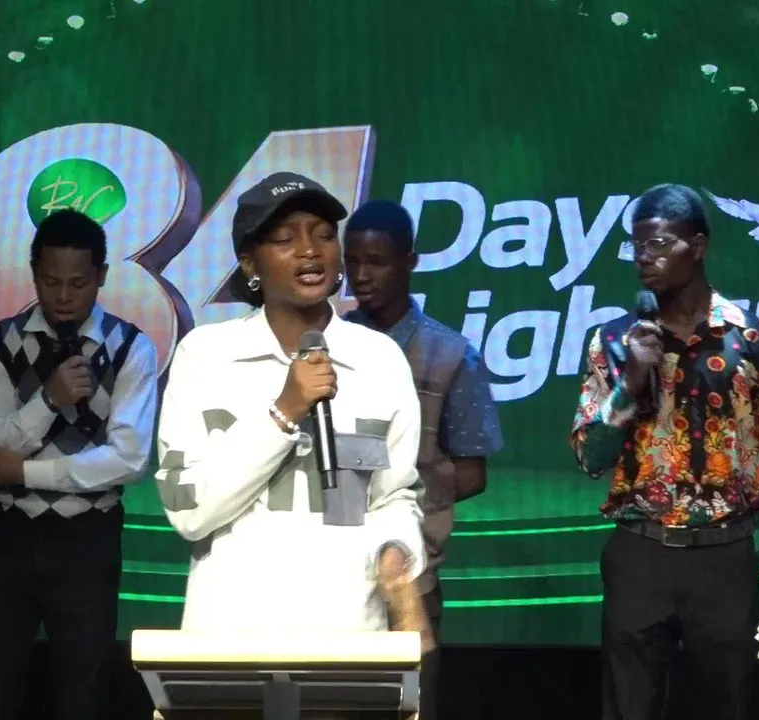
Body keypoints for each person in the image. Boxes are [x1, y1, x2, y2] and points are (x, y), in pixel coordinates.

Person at [153, 172, 432, 641]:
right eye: (285, 239)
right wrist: (283, 412)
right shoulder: (205, 355)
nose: (309, 250)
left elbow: (393, 497)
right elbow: (189, 511)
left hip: (347, 637)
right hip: (228, 638)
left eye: (323, 235)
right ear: (250, 263)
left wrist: (396, 556)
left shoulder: (379, 360)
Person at [570, 184, 759, 720]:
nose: (643, 257)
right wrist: (631, 381)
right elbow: (590, 458)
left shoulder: (756, 342)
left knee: (728, 705)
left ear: (698, 246)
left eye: (658, 244)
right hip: (640, 553)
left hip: (724, 558)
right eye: (636, 245)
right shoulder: (613, 341)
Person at [0, 208, 159, 720]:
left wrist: (23, 472)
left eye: (78, 282)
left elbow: (128, 458)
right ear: (34, 274)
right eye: (51, 282)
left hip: (88, 540)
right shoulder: (2, 342)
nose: (64, 296)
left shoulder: (130, 348)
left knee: (81, 698)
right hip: (7, 536)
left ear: (102, 276)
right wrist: (47, 401)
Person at [342, 199, 504, 720]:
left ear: (409, 262)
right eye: (352, 262)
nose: (361, 275)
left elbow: (473, 473)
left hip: (411, 571)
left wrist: (397, 490)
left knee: (409, 709)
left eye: (376, 262)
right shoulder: (328, 344)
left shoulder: (450, 354)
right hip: (330, 570)